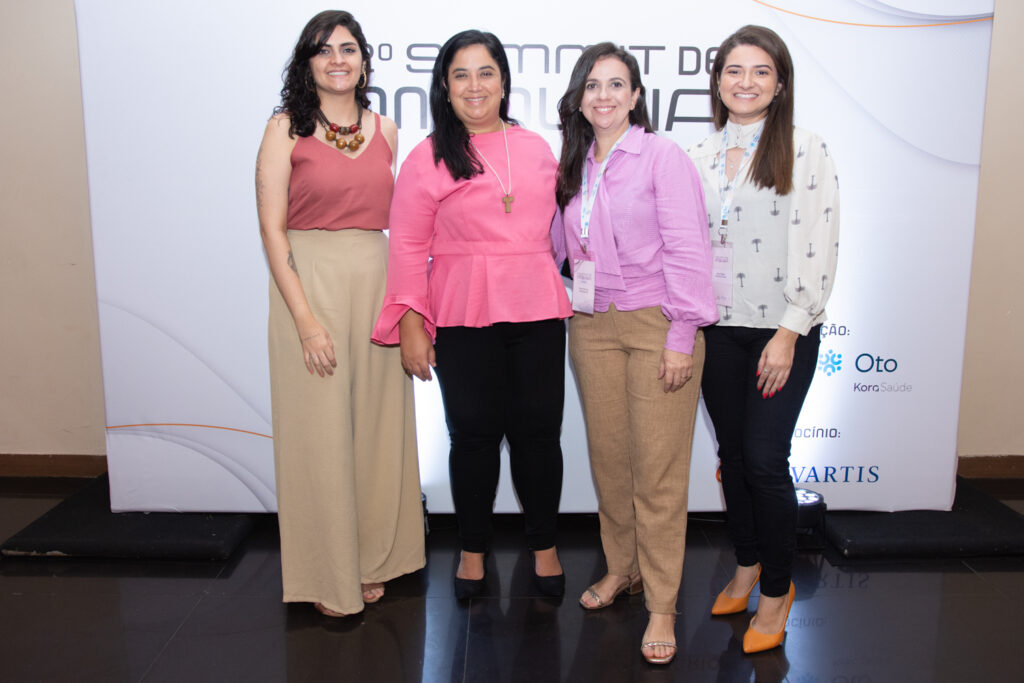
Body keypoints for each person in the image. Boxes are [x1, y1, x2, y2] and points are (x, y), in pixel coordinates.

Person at [371, 30, 572, 599]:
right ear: (445, 86)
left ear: (504, 81)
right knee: (474, 437)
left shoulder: (535, 147)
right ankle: (473, 549)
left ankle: (545, 546)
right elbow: (407, 245)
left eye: (485, 72)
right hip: (461, 309)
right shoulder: (428, 155)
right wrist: (412, 322)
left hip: (535, 306)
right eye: (461, 74)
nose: (474, 85)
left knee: (539, 435)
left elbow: (560, 229)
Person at [551, 43, 717, 665]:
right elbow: (556, 244)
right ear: (580, 95)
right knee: (612, 462)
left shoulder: (662, 156)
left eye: (616, 85)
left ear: (636, 96)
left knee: (659, 473)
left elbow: (689, 249)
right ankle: (623, 569)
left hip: (657, 323)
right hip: (591, 323)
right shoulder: (577, 162)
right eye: (593, 85)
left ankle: (664, 604)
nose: (604, 96)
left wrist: (681, 336)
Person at [256, 10, 424, 618]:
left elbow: (403, 228)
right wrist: (304, 320)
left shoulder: (387, 129)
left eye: (348, 49)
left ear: (363, 60)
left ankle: (374, 559)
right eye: (323, 50)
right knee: (320, 434)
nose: (337, 59)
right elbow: (272, 231)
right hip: (310, 285)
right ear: (307, 63)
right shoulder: (284, 128)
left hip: (376, 282)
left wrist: (408, 308)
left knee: (377, 429)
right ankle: (330, 574)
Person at [687, 25, 839, 653]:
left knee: (766, 459)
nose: (745, 82)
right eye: (733, 71)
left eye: (760, 72)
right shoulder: (696, 155)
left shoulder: (805, 150)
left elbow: (818, 244)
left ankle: (777, 590)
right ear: (717, 81)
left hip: (782, 331)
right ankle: (746, 564)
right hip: (717, 330)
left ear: (779, 86)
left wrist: (790, 330)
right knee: (734, 459)